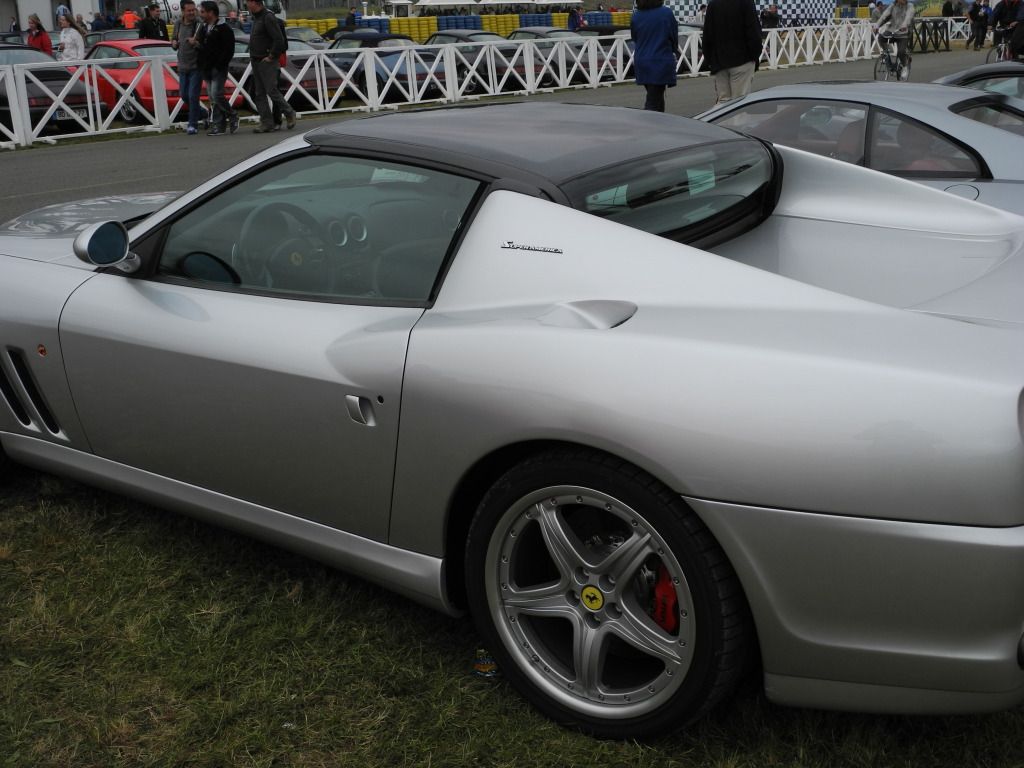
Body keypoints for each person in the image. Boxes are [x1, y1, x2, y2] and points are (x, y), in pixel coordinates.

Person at [245, 0, 295, 133]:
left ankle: (289, 112)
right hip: (256, 60)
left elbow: (279, 39)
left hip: (266, 60)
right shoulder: (256, 18)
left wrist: (271, 56)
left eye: (248, 2)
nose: (246, 5)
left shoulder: (268, 17)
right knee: (259, 94)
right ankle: (267, 122)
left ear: (254, 2)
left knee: (271, 90)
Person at [703, 0, 763, 104]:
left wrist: (710, 61)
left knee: (723, 104)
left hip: (719, 62)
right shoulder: (746, 2)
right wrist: (754, 56)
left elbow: (707, 35)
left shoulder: (713, 4)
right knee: (740, 103)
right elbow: (754, 33)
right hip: (742, 60)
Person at [197, 0, 238, 135]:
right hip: (207, 68)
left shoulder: (225, 29)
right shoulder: (204, 28)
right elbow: (204, 47)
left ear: (211, 12)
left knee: (216, 94)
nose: (201, 14)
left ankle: (232, 115)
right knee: (212, 97)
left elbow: (228, 50)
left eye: (203, 12)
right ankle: (219, 125)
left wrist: (220, 64)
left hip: (218, 68)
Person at [630, 0, 679, 111]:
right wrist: (673, 50)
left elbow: (635, 37)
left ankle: (659, 123)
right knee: (653, 101)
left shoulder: (636, 16)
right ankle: (649, 125)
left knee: (656, 97)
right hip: (659, 59)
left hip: (641, 59)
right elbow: (673, 35)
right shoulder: (665, 13)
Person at [172, 0, 206, 134]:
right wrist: (174, 43)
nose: (192, 13)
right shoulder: (178, 24)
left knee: (193, 96)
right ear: (183, 11)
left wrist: (196, 43)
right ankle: (203, 113)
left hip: (196, 66)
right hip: (182, 65)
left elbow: (204, 45)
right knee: (183, 95)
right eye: (189, 10)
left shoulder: (199, 24)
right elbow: (174, 40)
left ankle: (193, 125)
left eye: (193, 10)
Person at [874, 0, 914, 76]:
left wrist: (904, 25)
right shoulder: (893, 6)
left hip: (904, 32)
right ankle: (886, 55)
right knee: (881, 38)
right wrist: (877, 25)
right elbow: (884, 16)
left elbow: (908, 17)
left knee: (901, 52)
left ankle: (905, 67)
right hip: (892, 30)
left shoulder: (910, 6)